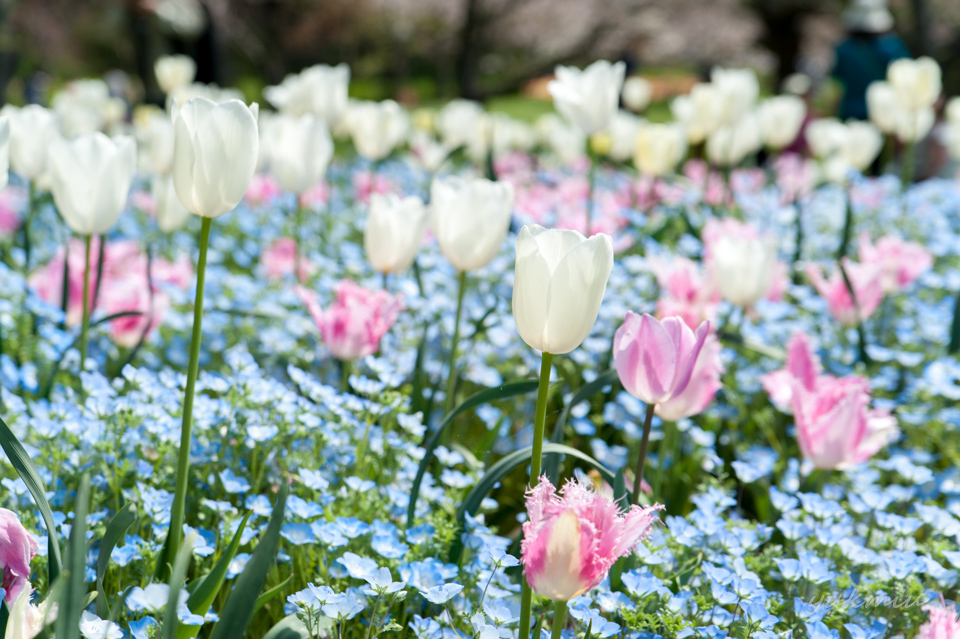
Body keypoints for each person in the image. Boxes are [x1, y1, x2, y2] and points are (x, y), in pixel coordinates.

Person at [832, 0, 910, 121]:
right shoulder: (893, 46)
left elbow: (837, 78)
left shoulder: (844, 49)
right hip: (886, 111)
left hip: (851, 111)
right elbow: (906, 77)